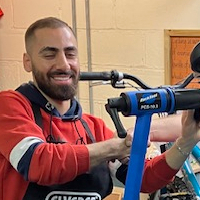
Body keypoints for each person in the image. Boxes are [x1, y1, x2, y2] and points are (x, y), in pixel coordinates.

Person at [0, 17, 199, 200]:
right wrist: (114, 147)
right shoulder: (11, 106)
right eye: (49, 54)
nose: (63, 64)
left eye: (70, 53)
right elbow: (38, 162)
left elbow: (143, 179)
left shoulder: (92, 128)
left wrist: (186, 142)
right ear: (28, 62)